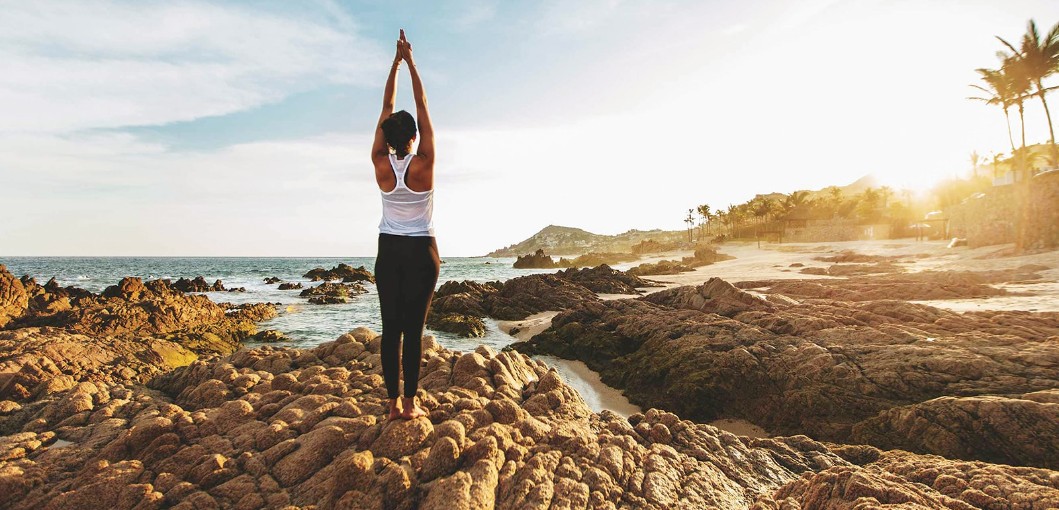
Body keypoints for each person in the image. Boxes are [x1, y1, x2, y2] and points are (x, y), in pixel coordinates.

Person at [371, 29, 439, 421]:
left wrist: (393, 65)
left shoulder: (380, 163)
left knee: (390, 329)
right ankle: (411, 405)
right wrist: (411, 62)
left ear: (388, 137)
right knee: (413, 331)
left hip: (388, 250)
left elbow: (387, 106)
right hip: (422, 252)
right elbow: (423, 104)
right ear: (414, 137)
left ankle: (393, 404)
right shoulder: (425, 164)